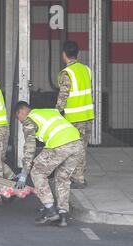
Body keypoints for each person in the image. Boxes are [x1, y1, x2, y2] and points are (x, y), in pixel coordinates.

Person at [14, 101, 85, 227]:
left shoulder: (29, 120)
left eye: (17, 117)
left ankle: (50, 210)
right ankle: (63, 214)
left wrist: (24, 172)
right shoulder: (50, 111)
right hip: (77, 144)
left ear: (22, 112)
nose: (19, 121)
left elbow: (30, 147)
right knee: (62, 178)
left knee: (37, 172)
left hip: (60, 144)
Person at [56, 41, 94, 189]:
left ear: (64, 54)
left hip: (74, 118)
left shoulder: (68, 73)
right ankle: (80, 176)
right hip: (87, 116)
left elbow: (63, 96)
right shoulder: (86, 70)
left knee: (73, 149)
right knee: (82, 148)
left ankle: (77, 178)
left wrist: (57, 111)